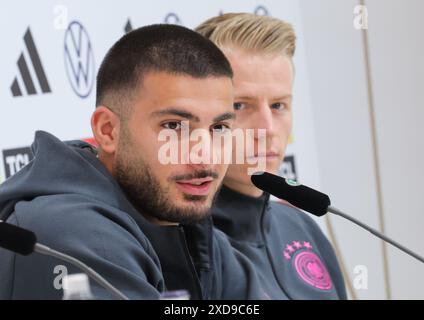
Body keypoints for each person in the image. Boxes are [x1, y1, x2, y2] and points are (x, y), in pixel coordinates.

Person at [0, 24, 263, 300]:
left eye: (219, 128)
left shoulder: (186, 224)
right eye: (174, 126)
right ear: (108, 131)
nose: (205, 155)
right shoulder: (70, 234)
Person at [196, 13, 347, 299]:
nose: (266, 128)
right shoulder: (177, 245)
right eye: (241, 105)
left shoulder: (301, 227)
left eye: (278, 105)